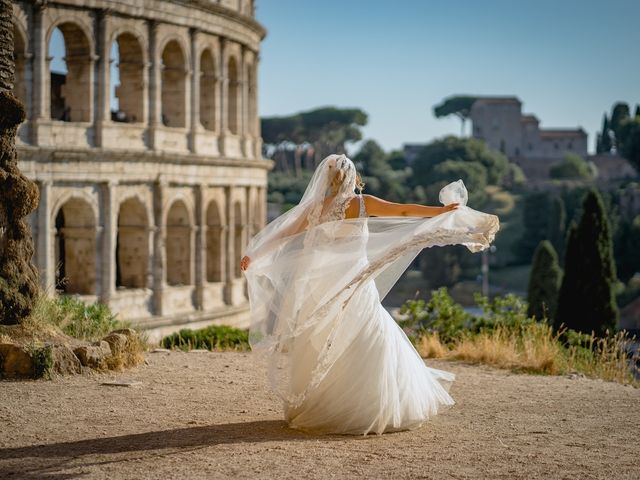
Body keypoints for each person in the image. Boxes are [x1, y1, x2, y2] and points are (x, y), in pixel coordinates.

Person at [241, 154, 499, 436]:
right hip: (355, 284)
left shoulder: (314, 209)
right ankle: (365, 406)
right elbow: (403, 212)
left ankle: (324, 404)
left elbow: (285, 233)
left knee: (321, 343)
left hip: (322, 287)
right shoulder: (362, 203)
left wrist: (255, 255)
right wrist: (438, 212)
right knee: (368, 334)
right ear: (353, 177)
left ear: (325, 179)